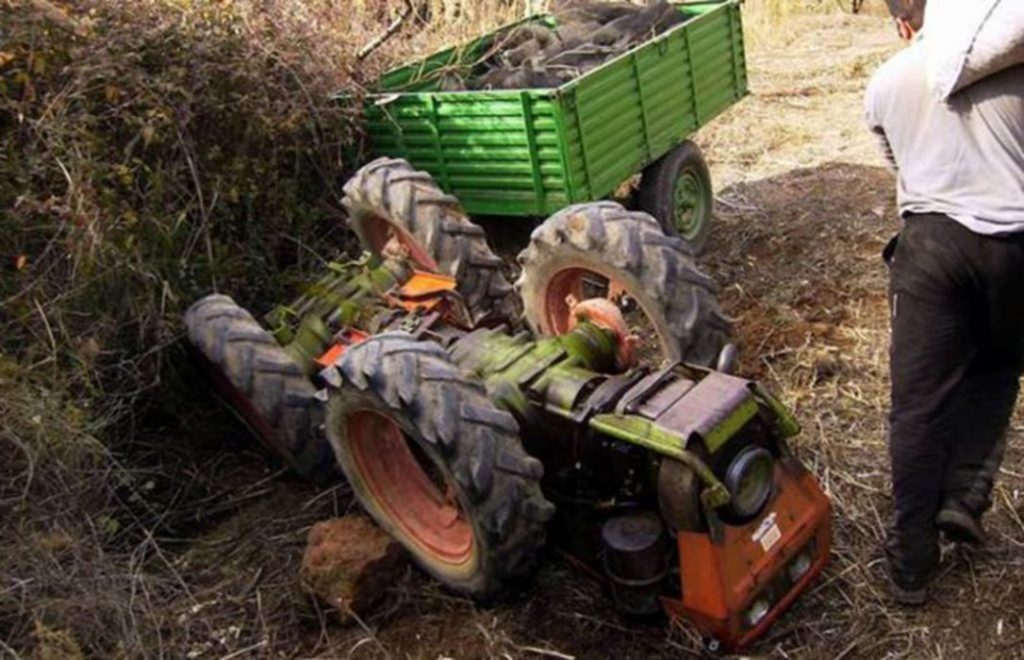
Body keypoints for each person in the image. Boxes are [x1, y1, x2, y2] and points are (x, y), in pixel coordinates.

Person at [864, 0, 1024, 604]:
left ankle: (911, 562)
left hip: (931, 248)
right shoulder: (1011, 64)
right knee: (997, 367)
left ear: (903, 24)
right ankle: (964, 496)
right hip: (1016, 248)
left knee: (917, 409)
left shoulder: (883, 83)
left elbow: (897, 170)